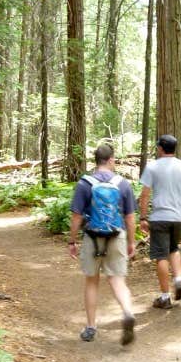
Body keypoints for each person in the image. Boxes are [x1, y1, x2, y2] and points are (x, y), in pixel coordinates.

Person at [68, 143, 137, 345]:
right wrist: (131, 242)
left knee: (92, 281)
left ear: (96, 160)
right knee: (117, 280)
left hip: (91, 236)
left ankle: (90, 327)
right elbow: (130, 217)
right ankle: (127, 311)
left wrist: (72, 240)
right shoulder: (122, 183)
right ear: (111, 160)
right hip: (117, 236)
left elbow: (76, 216)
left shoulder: (85, 183)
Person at [138, 134, 181, 309]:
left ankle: (165, 297)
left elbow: (145, 195)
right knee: (174, 248)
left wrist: (142, 217)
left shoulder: (153, 167)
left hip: (160, 216)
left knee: (160, 255)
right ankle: (178, 279)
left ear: (160, 148)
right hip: (179, 216)